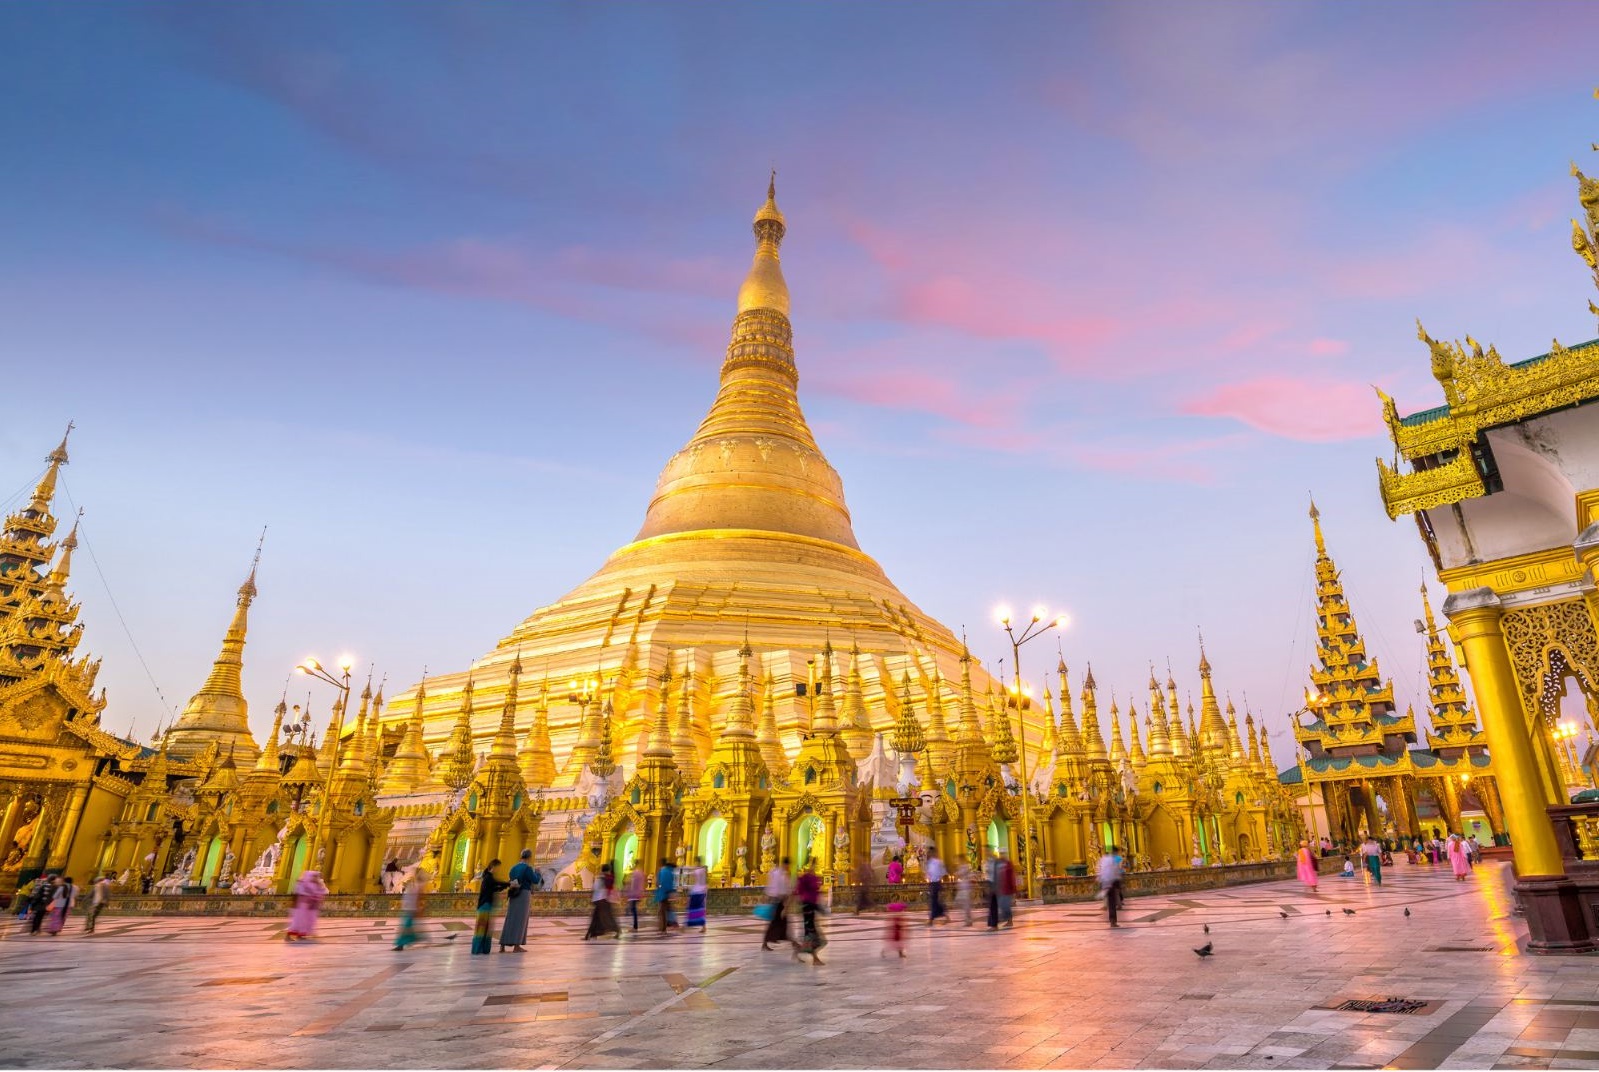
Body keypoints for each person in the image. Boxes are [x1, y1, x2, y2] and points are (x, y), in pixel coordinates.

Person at [501, 849, 537, 952]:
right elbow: (535, 880)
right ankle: (516, 946)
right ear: (529, 857)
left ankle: (502, 945)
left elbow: (511, 879)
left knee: (510, 918)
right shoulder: (527, 868)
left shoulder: (513, 868)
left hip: (513, 893)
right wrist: (538, 873)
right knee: (521, 920)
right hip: (524, 894)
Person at [472, 859, 509, 955]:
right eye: (498, 868)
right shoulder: (488, 877)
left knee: (487, 929)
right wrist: (508, 884)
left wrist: (506, 885)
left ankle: (485, 950)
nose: (498, 870)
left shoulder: (490, 877)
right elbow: (496, 884)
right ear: (493, 867)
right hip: (484, 905)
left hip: (488, 905)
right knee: (481, 929)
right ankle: (477, 950)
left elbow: (494, 888)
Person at [792, 858, 825, 965]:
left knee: (812, 934)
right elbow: (799, 891)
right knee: (811, 933)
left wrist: (819, 908)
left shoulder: (813, 877)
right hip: (807, 907)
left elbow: (815, 893)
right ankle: (815, 958)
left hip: (811, 906)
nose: (814, 867)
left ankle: (798, 952)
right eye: (814, 865)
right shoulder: (806, 878)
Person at [393, 866, 428, 951]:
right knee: (408, 927)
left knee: (406, 927)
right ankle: (410, 941)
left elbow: (418, 899)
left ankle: (401, 944)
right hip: (408, 909)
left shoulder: (418, 886)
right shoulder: (413, 884)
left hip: (411, 909)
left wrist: (418, 909)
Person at [286, 869, 327, 942]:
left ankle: (301, 935)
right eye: (314, 876)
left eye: (316, 876)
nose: (315, 878)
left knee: (306, 921)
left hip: (310, 907)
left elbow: (322, 891)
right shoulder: (303, 883)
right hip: (302, 906)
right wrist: (310, 896)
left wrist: (319, 891)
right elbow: (300, 892)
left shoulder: (316, 884)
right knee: (299, 921)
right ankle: (289, 935)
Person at [761, 857, 790, 951]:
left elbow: (771, 886)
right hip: (778, 900)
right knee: (776, 922)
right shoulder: (779, 874)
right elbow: (778, 888)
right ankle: (767, 942)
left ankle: (778, 938)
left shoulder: (776, 873)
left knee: (781, 922)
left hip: (777, 900)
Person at [585, 863, 620, 939]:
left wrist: (592, 899)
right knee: (605, 918)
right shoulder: (605, 878)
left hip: (600, 900)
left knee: (602, 918)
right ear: (607, 870)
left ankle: (589, 934)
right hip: (603, 900)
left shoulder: (601, 878)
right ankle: (590, 934)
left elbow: (594, 889)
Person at [1097, 846, 1125, 928]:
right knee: (1112, 901)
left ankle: (1112, 919)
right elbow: (1116, 870)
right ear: (1115, 852)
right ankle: (1113, 921)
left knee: (1110, 901)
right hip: (1112, 882)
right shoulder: (1113, 859)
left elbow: (1099, 869)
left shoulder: (1103, 859)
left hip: (1104, 882)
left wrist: (1100, 879)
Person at [684, 855, 709, 932]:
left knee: (692, 908)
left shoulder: (697, 870)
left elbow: (693, 880)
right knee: (699, 909)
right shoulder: (702, 869)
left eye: (695, 862)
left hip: (696, 891)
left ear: (696, 862)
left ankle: (687, 926)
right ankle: (703, 926)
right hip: (701, 891)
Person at [654, 858, 678, 934]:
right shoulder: (669, 871)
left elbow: (660, 883)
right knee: (667, 910)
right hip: (667, 893)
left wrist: (660, 888)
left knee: (662, 912)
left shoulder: (663, 871)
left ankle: (663, 929)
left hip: (663, 893)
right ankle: (668, 925)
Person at [925, 847, 947, 925]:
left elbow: (943, 873)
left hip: (937, 883)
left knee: (934, 901)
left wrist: (939, 880)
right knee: (934, 901)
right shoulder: (929, 863)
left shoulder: (939, 862)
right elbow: (928, 874)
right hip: (932, 883)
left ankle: (931, 919)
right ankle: (944, 915)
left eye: (931, 852)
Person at [624, 860, 646, 932]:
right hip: (637, 893)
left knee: (633, 910)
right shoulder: (640, 873)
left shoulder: (635, 873)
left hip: (634, 894)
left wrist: (628, 891)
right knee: (633, 909)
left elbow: (632, 884)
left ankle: (635, 926)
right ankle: (635, 926)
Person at [955, 859, 975, 926]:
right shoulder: (962, 867)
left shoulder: (965, 867)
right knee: (963, 904)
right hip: (963, 886)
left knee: (966, 905)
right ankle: (968, 919)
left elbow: (966, 875)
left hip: (965, 887)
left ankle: (968, 920)